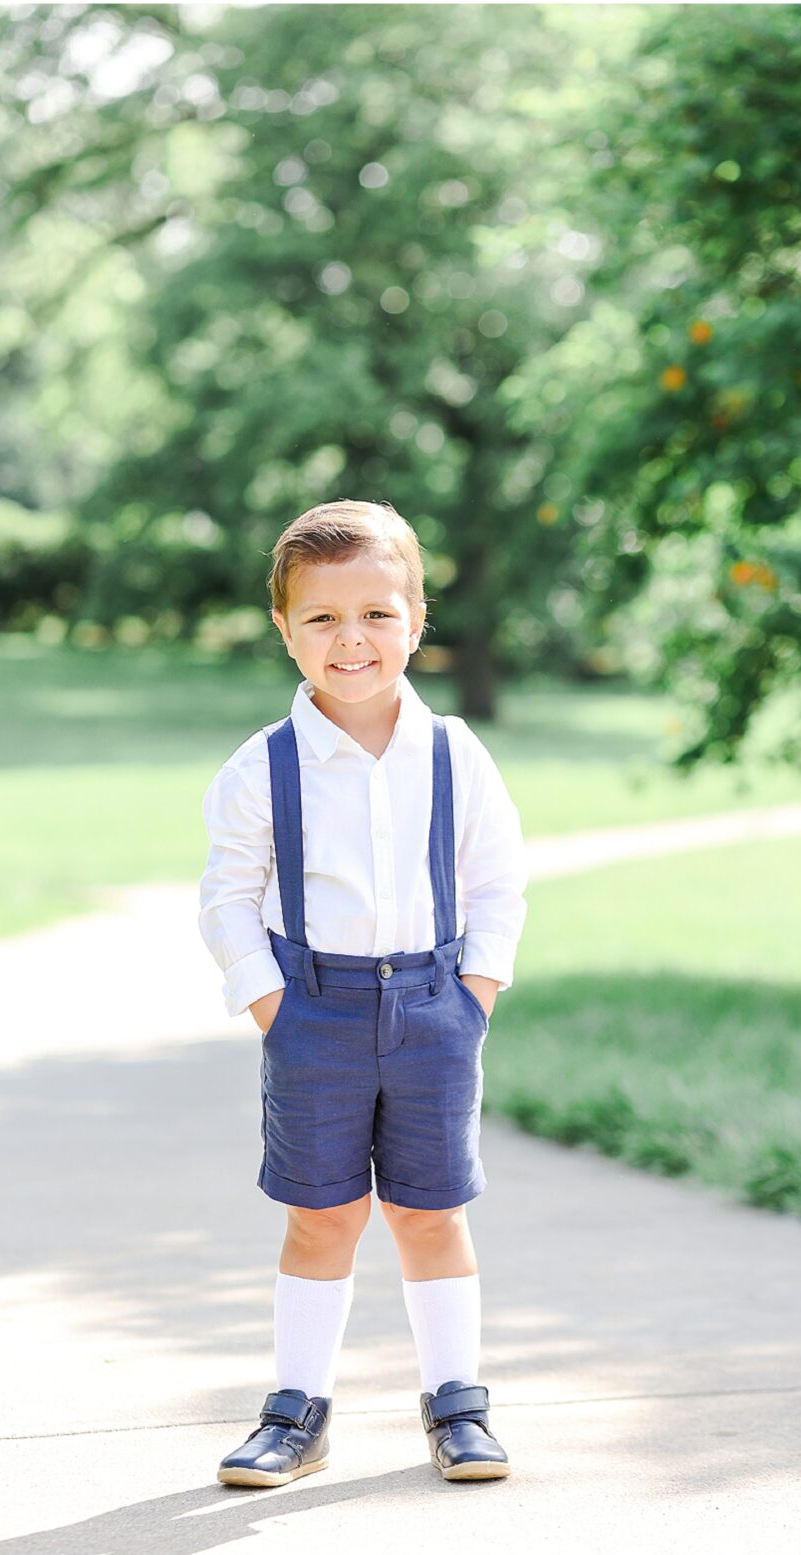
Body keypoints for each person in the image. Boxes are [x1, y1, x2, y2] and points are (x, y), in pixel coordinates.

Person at [198, 499, 528, 1487]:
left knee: (431, 1213)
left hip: (433, 1006)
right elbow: (227, 897)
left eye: (377, 614)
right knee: (323, 1212)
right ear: (286, 630)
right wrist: (273, 1007)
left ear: (416, 619)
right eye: (323, 619)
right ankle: (298, 1410)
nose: (352, 640)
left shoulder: (453, 753)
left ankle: (456, 1401)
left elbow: (497, 880)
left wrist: (474, 994)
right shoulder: (263, 765)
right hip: (315, 1010)